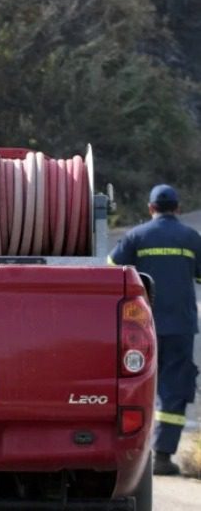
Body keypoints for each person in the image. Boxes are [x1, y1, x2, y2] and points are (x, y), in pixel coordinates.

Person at [108, 184, 201, 475]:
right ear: (178, 208)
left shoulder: (137, 236)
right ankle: (162, 456)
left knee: (132, 385)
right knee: (174, 389)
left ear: (150, 208)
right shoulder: (191, 237)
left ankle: (129, 453)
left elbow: (112, 269)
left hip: (138, 327)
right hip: (179, 327)